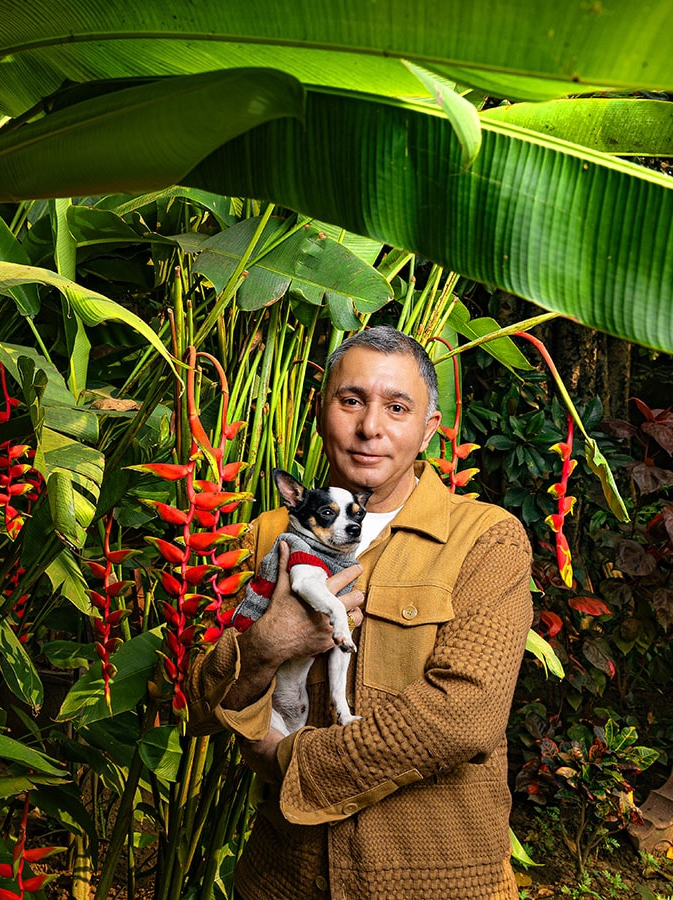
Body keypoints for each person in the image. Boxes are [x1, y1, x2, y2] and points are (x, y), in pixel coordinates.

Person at [187, 326, 533, 899]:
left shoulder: (486, 540)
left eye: (397, 407)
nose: (370, 427)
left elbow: (465, 716)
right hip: (285, 880)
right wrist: (268, 645)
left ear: (428, 432)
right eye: (352, 401)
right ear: (323, 414)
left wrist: (294, 759)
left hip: (438, 883)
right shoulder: (265, 538)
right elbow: (196, 704)